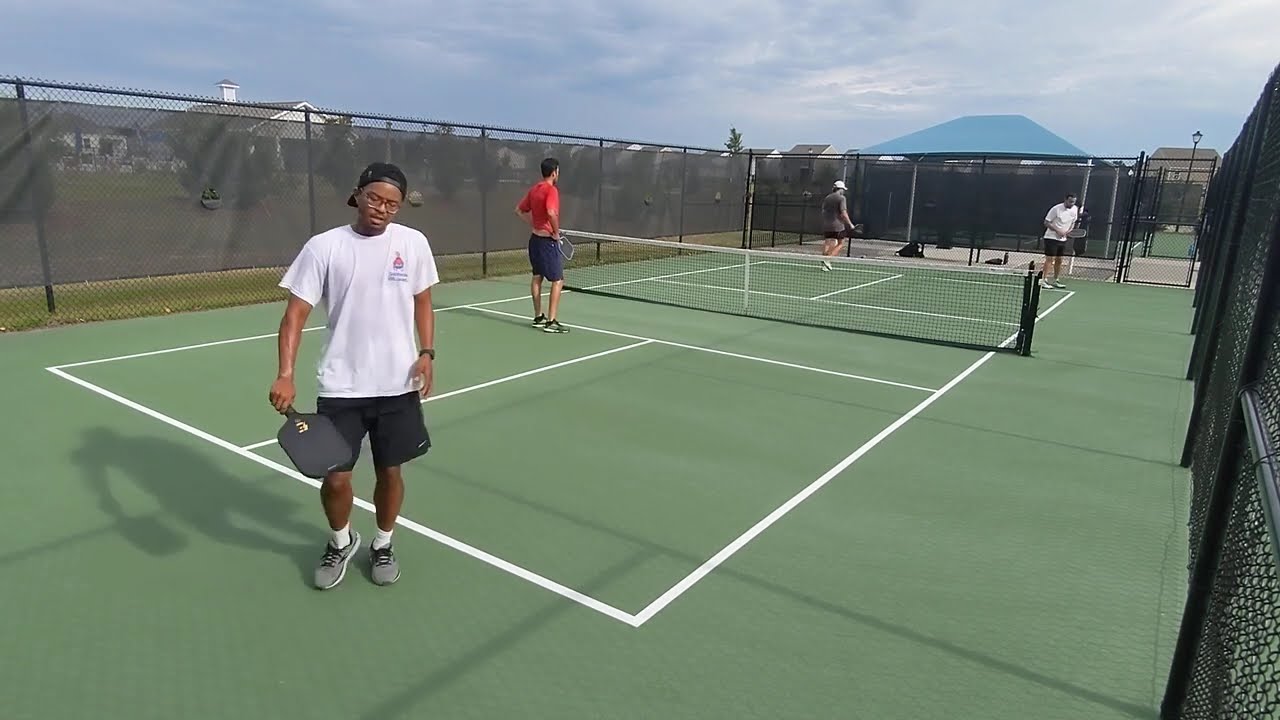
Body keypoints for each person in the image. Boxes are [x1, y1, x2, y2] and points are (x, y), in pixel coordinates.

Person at [269, 161, 439, 591]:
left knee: (391, 472)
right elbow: (294, 315)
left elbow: (423, 301)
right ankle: (341, 540)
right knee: (336, 476)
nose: (383, 209)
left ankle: (383, 543)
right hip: (342, 386)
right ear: (357, 194)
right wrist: (285, 374)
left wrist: (427, 353)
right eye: (376, 198)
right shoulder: (324, 247)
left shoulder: (413, 243)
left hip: (398, 385)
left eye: (393, 204)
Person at [516, 158, 569, 333]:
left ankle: (538, 316)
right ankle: (551, 321)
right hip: (547, 242)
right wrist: (555, 232)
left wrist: (534, 225)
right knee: (558, 280)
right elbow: (551, 212)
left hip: (534, 241)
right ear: (554, 173)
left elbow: (519, 210)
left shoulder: (534, 190)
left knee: (537, 277)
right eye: (558, 171)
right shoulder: (551, 190)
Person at [819, 180, 862, 271]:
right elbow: (843, 213)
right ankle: (828, 259)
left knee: (827, 242)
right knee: (841, 243)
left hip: (827, 225)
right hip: (837, 226)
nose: (844, 191)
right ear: (840, 189)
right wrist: (850, 224)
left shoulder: (827, 198)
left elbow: (823, 211)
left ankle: (824, 262)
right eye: (843, 189)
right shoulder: (841, 198)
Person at [1041, 192, 1079, 289]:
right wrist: (1058, 231)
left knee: (1059, 260)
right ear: (1065, 200)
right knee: (1050, 259)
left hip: (1063, 239)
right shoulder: (1056, 209)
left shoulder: (1075, 209)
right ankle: (1043, 280)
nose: (1071, 204)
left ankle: (1055, 280)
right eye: (1070, 201)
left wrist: (1068, 231)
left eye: (1073, 202)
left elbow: (1073, 223)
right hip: (1051, 238)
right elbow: (1046, 222)